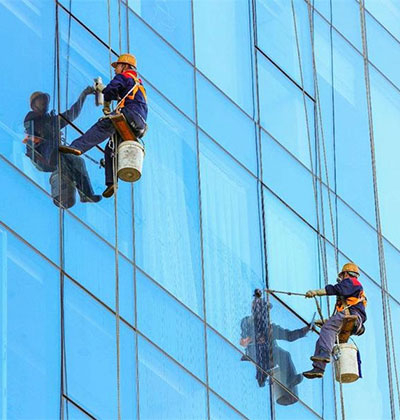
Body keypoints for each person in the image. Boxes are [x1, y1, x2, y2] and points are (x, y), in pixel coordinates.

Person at [59, 53, 148, 198]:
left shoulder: (124, 76)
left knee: (102, 127)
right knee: (111, 147)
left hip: (128, 114)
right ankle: (112, 182)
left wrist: (103, 92)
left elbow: (112, 89)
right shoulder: (137, 83)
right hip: (139, 125)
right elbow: (121, 95)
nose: (115, 70)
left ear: (125, 66)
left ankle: (77, 147)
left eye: (117, 66)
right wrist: (107, 101)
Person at [24, 89, 101, 204]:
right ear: (34, 105)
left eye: (45, 100)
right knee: (63, 158)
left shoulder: (51, 121)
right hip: (41, 155)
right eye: (41, 100)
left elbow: (72, 113)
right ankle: (66, 186)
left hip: (53, 153)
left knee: (78, 161)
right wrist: (52, 131)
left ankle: (86, 195)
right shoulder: (32, 119)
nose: (44, 103)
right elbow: (35, 132)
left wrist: (83, 95)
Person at [240, 290, 310, 405]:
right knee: (282, 354)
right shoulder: (247, 322)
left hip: (269, 357)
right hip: (257, 355)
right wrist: (254, 338)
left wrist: (304, 331)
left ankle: (290, 384)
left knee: (285, 355)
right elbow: (243, 342)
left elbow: (289, 336)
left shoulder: (270, 328)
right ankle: (284, 381)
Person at [303, 262, 367, 379]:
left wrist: (316, 292)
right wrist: (326, 321)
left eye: (342, 276)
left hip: (351, 316)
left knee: (328, 328)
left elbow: (336, 289)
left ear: (346, 274)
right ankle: (318, 368)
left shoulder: (352, 282)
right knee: (322, 338)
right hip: (353, 319)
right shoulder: (353, 289)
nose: (341, 278)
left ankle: (324, 354)